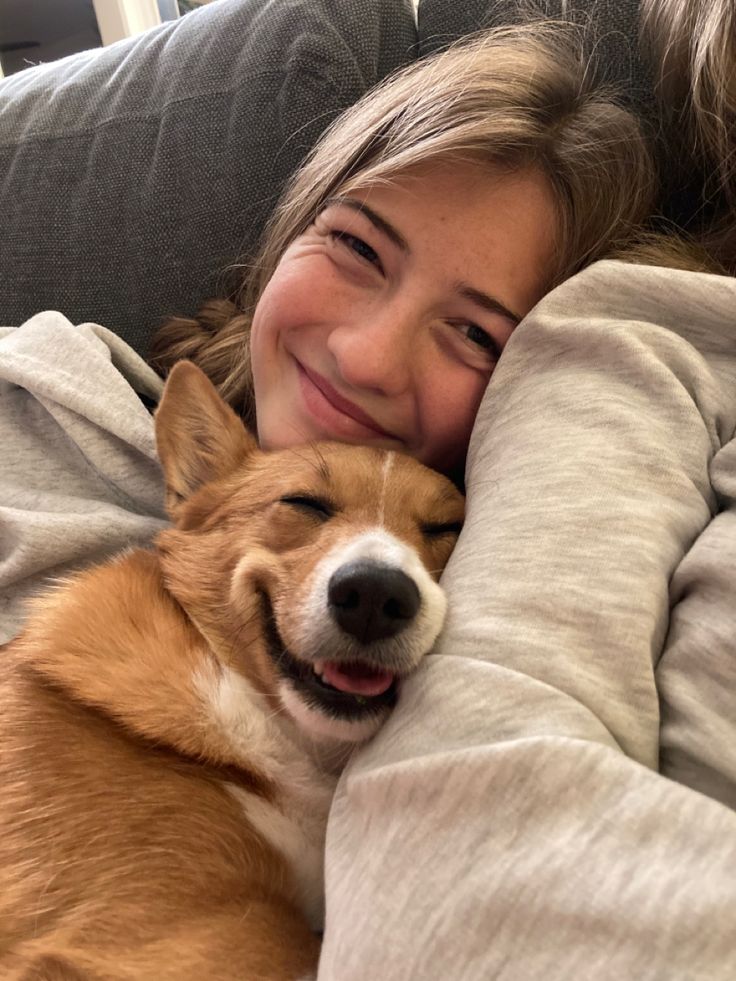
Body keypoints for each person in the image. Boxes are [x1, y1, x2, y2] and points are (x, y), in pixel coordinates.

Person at [2, 12, 736, 980]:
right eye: (355, 248)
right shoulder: (43, 391)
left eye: (475, 335)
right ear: (291, 226)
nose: (364, 357)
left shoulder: (527, 535)